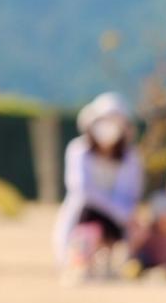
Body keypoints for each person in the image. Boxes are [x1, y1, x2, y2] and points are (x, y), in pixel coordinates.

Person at [53, 93, 143, 280]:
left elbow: (130, 193)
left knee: (132, 228)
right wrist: (118, 212)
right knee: (90, 223)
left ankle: (111, 263)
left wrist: (123, 216)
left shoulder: (130, 157)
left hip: (118, 220)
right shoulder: (79, 150)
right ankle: (81, 261)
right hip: (85, 214)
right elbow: (81, 190)